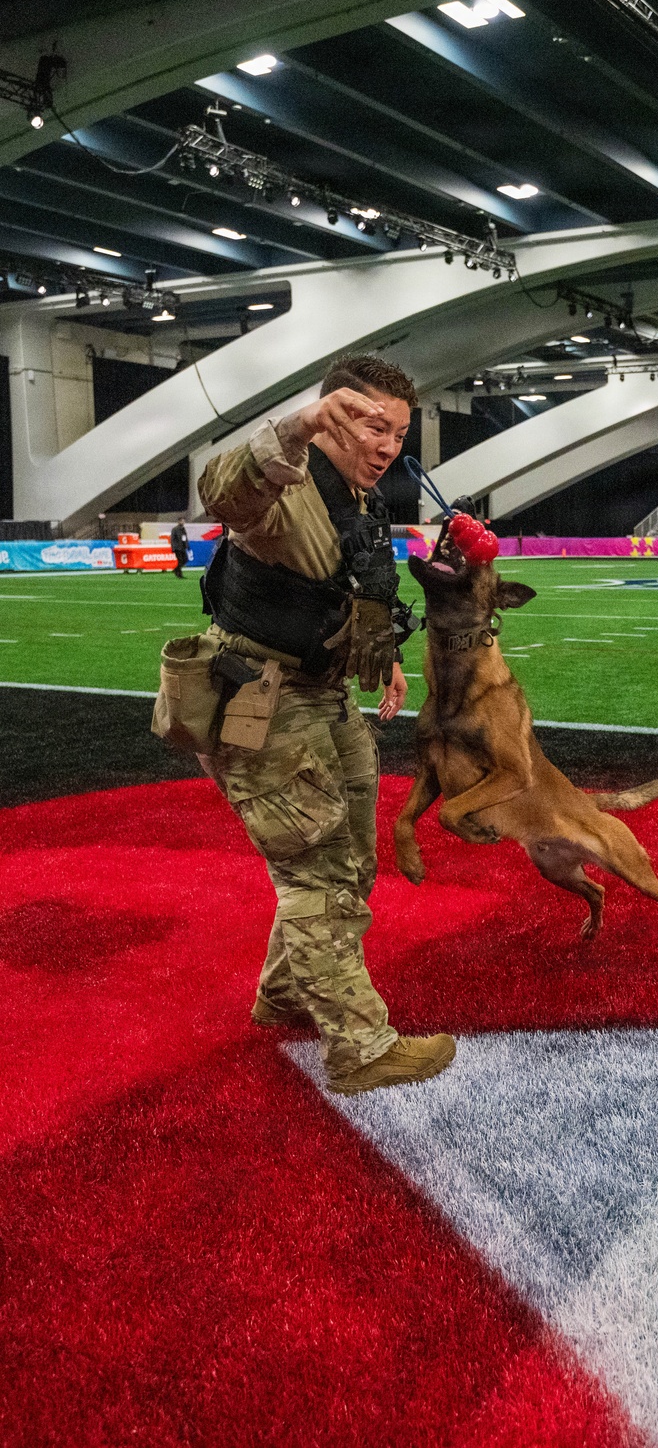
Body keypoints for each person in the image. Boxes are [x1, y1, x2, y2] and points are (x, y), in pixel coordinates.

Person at [197, 355, 455, 1096]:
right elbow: (220, 491)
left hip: (327, 694)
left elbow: (358, 592)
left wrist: (387, 662)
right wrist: (296, 426)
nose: (387, 446)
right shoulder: (287, 484)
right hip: (260, 699)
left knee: (352, 862)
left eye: (399, 434)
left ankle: (283, 994)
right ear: (335, 415)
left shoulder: (362, 499)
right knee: (315, 871)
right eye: (374, 426)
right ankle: (360, 1047)